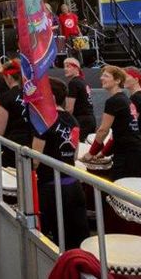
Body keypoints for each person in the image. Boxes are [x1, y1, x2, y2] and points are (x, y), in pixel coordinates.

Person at [31, 78, 89, 249]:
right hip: (73, 187)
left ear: (51, 98)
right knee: (76, 242)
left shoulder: (43, 121)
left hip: (51, 189)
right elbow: (75, 154)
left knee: (49, 244)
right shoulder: (73, 121)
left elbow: (35, 160)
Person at [82, 65, 141, 179]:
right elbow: (120, 132)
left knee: (119, 193)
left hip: (130, 157)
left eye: (106, 76)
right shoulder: (124, 99)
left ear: (118, 80)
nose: (101, 78)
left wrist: (91, 153)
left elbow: (103, 130)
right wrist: (102, 153)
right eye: (102, 75)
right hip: (136, 153)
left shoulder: (114, 101)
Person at [0, 59, 32, 166]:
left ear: (8, 77)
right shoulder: (32, 95)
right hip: (33, 145)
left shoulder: (6, 98)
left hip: (14, 147)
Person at [62, 57, 95, 137]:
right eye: (64, 66)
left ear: (76, 68)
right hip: (90, 120)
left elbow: (69, 109)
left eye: (68, 66)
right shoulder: (82, 81)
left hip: (81, 121)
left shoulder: (73, 83)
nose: (65, 69)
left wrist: (63, 123)